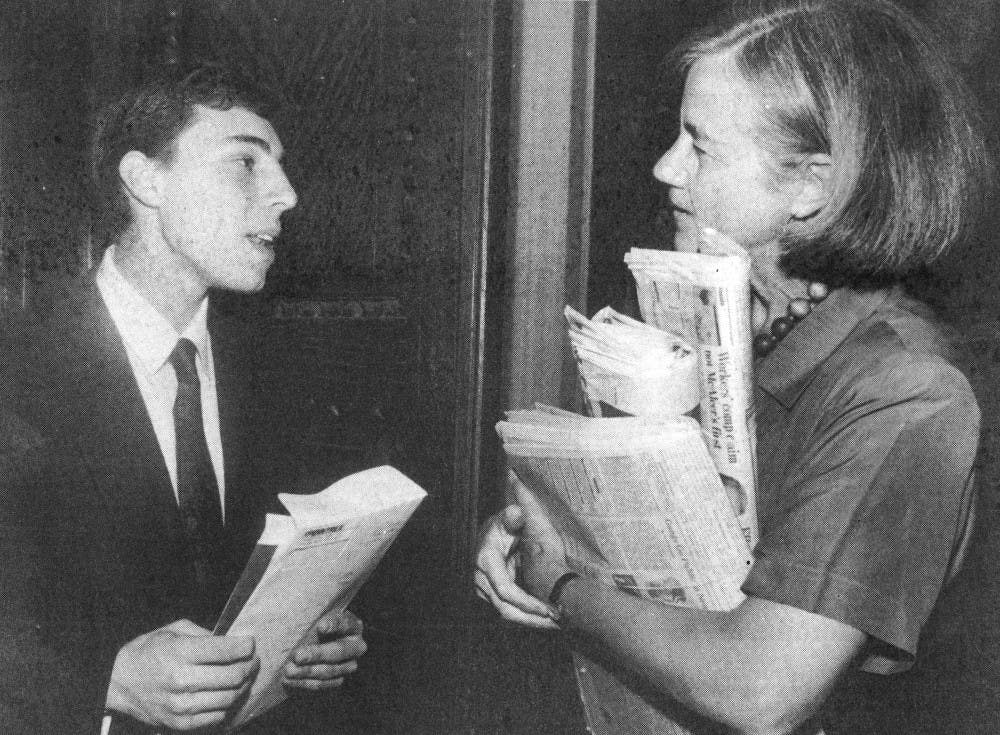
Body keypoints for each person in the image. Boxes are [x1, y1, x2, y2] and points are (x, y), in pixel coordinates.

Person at [475, 1, 990, 733]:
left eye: (699, 145)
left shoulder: (905, 393)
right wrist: (533, 536)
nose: (665, 167)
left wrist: (559, 585)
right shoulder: (724, 325)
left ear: (811, 186)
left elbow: (760, 689)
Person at [1, 65, 367, 733]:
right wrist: (105, 679)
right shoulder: (13, 370)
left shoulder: (284, 374)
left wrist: (317, 638)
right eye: (245, 163)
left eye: (280, 168)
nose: (285, 194)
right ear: (146, 180)